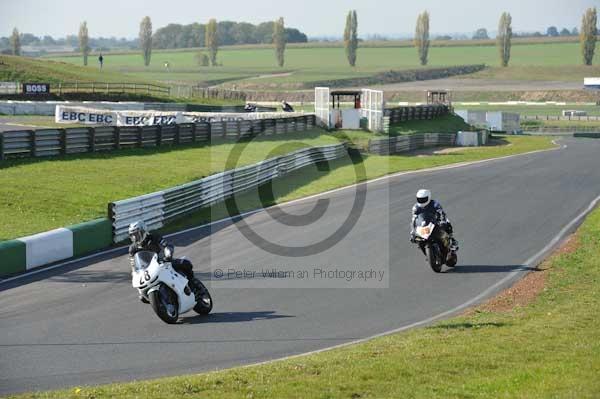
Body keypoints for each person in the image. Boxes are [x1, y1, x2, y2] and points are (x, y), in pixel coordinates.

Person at [128, 221, 202, 302]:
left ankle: (194, 285)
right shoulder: (133, 248)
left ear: (144, 231)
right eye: (133, 235)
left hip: (163, 262)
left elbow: (166, 245)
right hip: (148, 270)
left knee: (184, 263)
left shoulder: (154, 237)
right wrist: (134, 272)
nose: (135, 238)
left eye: (137, 234)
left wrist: (168, 254)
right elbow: (133, 263)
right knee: (142, 297)